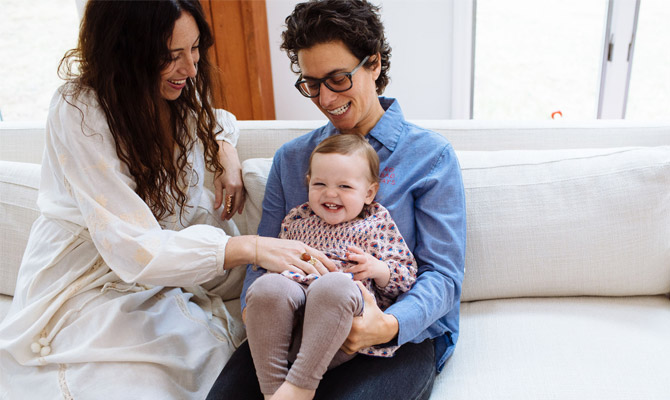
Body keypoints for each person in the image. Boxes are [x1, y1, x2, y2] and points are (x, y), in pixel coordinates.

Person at [0, 1, 334, 398]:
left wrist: (224, 147)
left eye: (195, 49)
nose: (191, 69)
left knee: (203, 356)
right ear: (125, 53)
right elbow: (133, 249)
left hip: (153, 272)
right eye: (171, 56)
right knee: (141, 374)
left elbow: (214, 118)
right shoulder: (81, 110)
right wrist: (250, 247)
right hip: (88, 276)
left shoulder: (172, 92)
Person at [207, 0, 467, 399]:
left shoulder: (429, 157)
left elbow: (443, 276)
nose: (325, 99)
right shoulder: (293, 160)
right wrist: (256, 310)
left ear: (374, 64)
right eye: (312, 83)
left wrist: (388, 325)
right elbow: (264, 257)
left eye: (338, 79)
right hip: (295, 328)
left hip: (392, 337)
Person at [246, 134, 417, 399]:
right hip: (290, 325)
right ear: (308, 184)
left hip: (339, 329)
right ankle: (273, 391)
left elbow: (406, 274)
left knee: (334, 285)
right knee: (267, 286)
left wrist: (377, 269)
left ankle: (301, 386)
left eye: (345, 187)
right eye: (320, 183)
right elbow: (275, 259)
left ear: (369, 192)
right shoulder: (298, 219)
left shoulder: (375, 223)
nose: (330, 193)